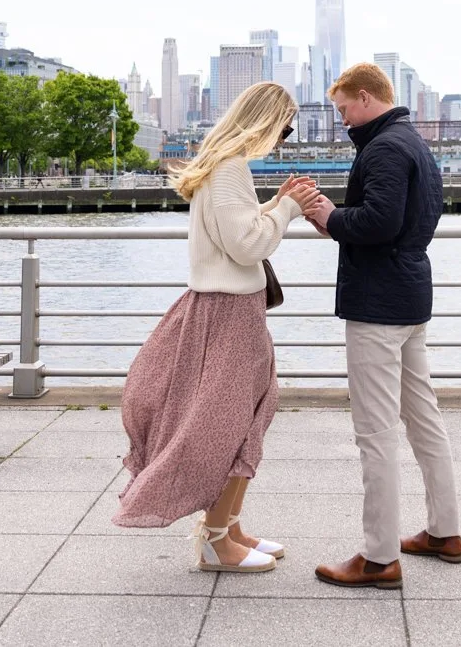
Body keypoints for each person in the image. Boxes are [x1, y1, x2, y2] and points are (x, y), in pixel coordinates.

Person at [113, 81, 319, 574]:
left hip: (232, 310)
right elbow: (247, 248)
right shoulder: (229, 169)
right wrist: (289, 209)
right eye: (284, 128)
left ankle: (227, 527)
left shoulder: (224, 165)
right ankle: (216, 542)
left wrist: (276, 202)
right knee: (230, 425)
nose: (283, 139)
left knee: (246, 417)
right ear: (265, 120)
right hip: (229, 313)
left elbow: (237, 231)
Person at [303, 63, 461, 590]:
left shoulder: (385, 148)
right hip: (410, 295)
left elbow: (378, 222)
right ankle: (444, 532)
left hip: (377, 304)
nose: (343, 120)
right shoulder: (413, 142)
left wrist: (330, 216)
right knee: (423, 418)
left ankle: (378, 558)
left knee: (374, 433)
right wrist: (339, 220)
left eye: (344, 109)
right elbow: (412, 221)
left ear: (366, 97)